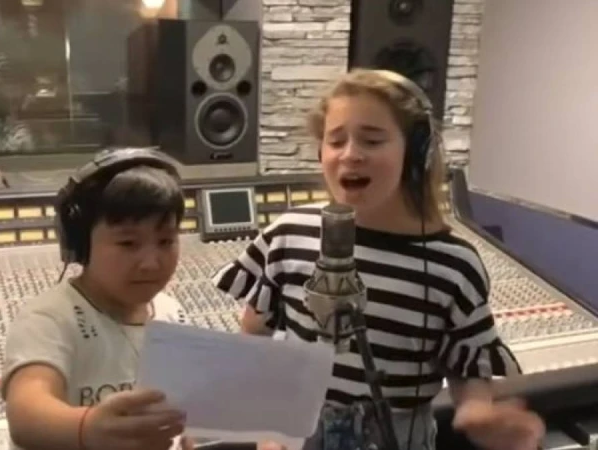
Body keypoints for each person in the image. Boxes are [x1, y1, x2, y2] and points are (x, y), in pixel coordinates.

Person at [211, 69, 545, 450]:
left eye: (371, 140)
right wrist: (266, 428)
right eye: (336, 140)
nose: (350, 154)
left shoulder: (454, 265)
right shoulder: (288, 233)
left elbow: (466, 365)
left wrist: (478, 412)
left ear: (416, 153)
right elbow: (254, 337)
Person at [1, 148, 193, 450]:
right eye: (128, 243)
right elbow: (25, 413)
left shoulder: (172, 313)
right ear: (81, 243)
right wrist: (87, 428)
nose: (151, 263)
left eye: (166, 241)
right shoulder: (49, 320)